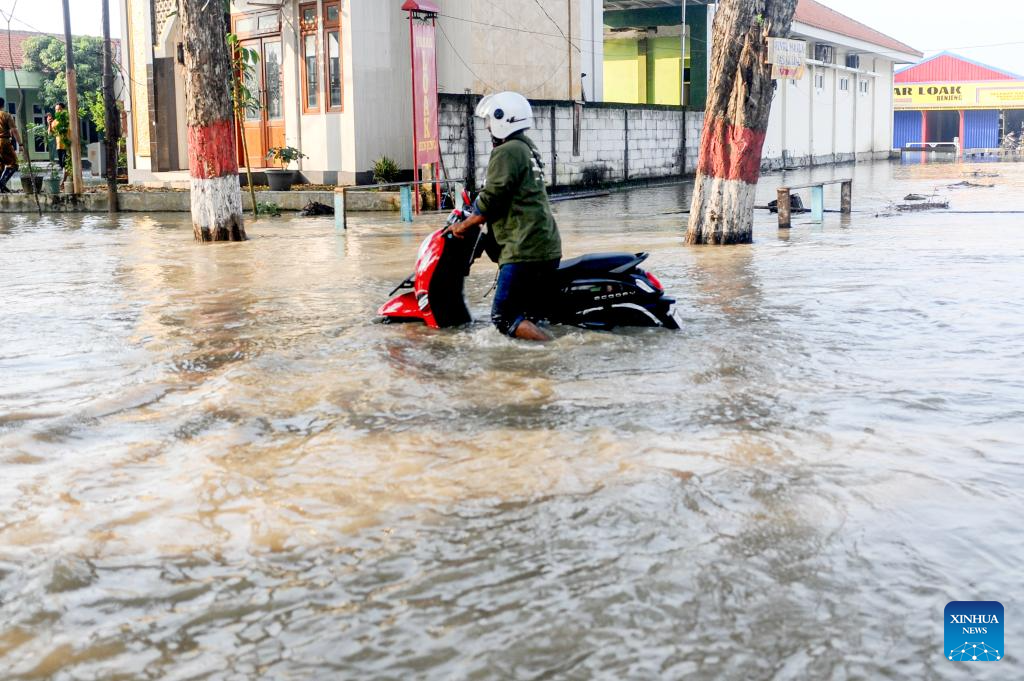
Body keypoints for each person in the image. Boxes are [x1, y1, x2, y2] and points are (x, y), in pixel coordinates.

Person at [449, 91, 562, 342]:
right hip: (544, 245)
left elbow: (492, 198)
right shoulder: (527, 147)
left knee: (504, 318)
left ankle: (555, 350)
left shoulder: (507, 151)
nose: (488, 128)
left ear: (504, 119)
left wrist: (464, 225)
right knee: (529, 315)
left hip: (524, 248)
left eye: (490, 122)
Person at [0, 97, 24, 193]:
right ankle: (1, 184)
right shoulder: (6, 115)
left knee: (1, 166)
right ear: (3, 105)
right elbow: (14, 130)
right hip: (4, 142)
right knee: (14, 164)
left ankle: (2, 187)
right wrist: (20, 144)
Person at [51, 103, 69, 191]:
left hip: (67, 145)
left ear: (63, 110)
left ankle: (63, 183)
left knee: (65, 164)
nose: (57, 111)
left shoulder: (67, 119)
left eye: (59, 109)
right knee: (62, 165)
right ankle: (66, 183)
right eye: (56, 110)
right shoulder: (55, 121)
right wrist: (49, 123)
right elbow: (50, 133)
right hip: (59, 146)